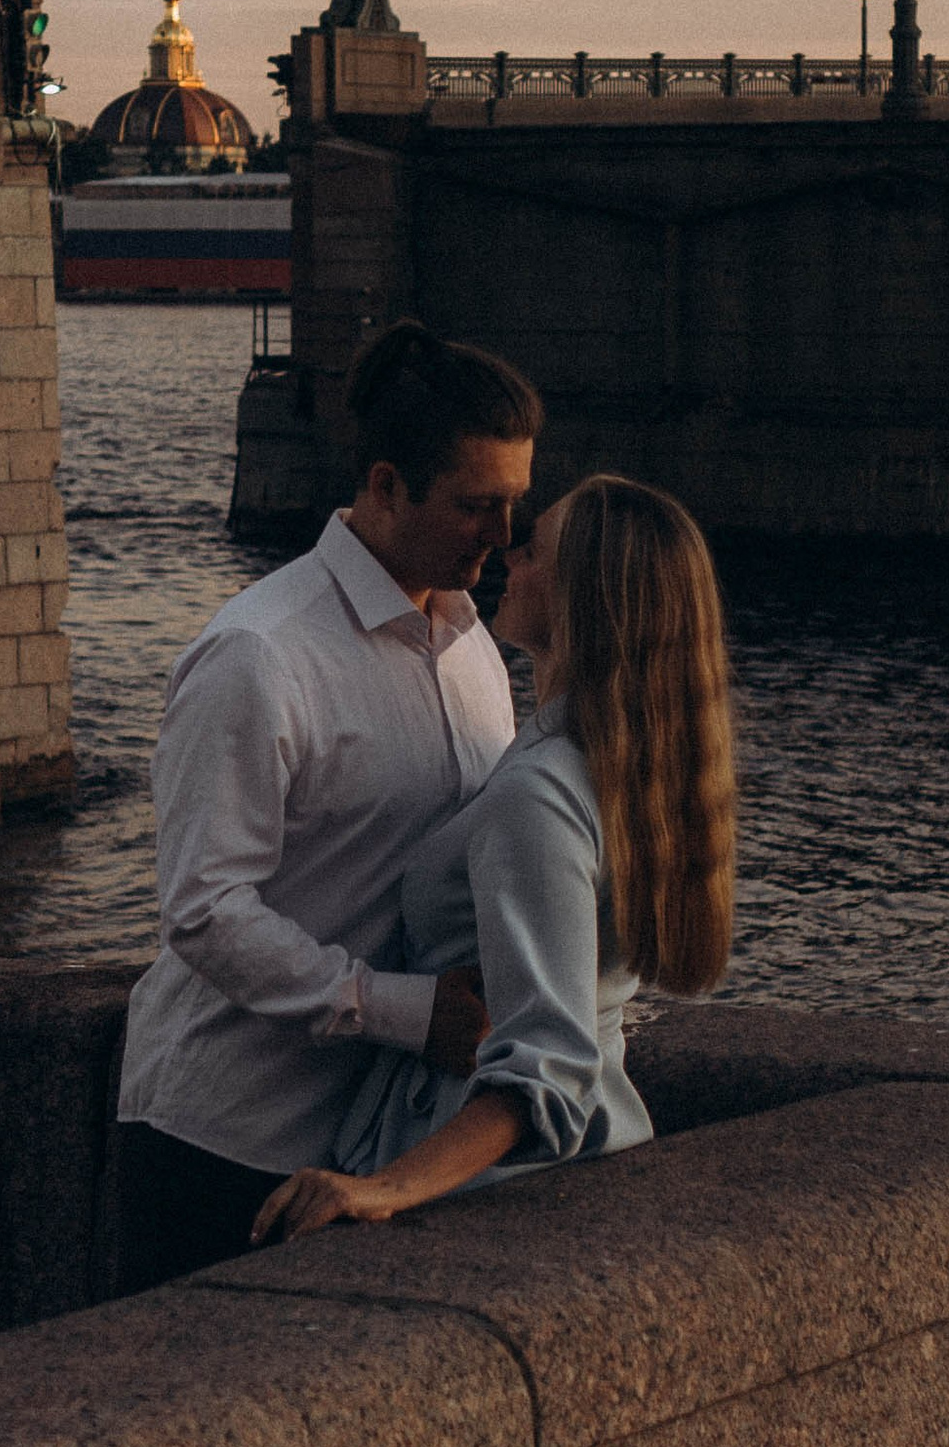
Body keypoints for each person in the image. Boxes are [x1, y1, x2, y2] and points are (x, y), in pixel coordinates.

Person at [113, 320, 542, 1282]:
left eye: (516, 503)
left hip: (388, 1142)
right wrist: (403, 1011)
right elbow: (205, 911)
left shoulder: (475, 645)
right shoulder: (259, 655)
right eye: (479, 505)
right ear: (386, 485)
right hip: (229, 1140)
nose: (504, 536)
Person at [252, 473, 735, 1242]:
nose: (511, 555)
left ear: (586, 597)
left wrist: (379, 1188)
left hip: (488, 1184)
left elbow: (541, 1066)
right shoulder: (631, 765)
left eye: (537, 552)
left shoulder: (539, 795)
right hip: (599, 1151)